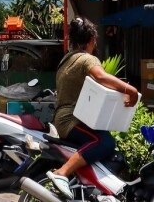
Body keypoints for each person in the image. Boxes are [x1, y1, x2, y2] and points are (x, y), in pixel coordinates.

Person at [47, 18, 139, 199]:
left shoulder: (66, 60)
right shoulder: (86, 59)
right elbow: (101, 76)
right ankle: (62, 172)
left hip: (63, 118)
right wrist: (131, 90)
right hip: (70, 120)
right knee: (104, 142)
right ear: (90, 40)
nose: (95, 44)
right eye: (95, 40)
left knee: (104, 141)